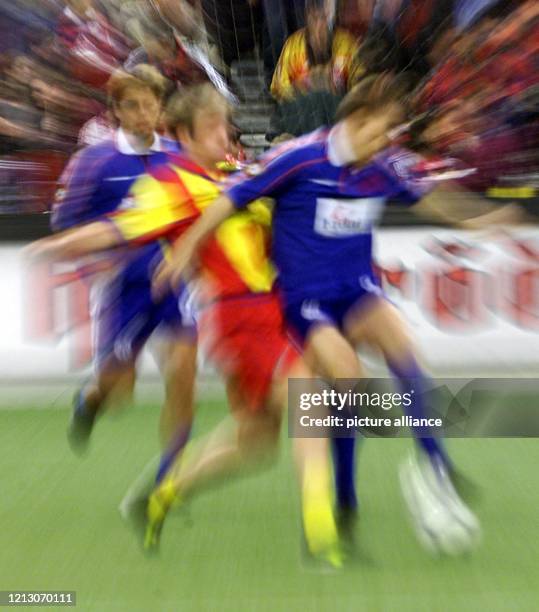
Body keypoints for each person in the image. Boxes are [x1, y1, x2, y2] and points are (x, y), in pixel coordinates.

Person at [154, 73, 486, 555]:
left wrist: (487, 219)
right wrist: (186, 247)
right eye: (379, 130)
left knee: (407, 356)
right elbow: (232, 197)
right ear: (355, 120)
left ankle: (436, 465)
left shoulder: (385, 165)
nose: (386, 140)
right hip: (303, 299)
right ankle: (345, 501)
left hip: (356, 291)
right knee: (344, 387)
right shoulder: (300, 157)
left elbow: (435, 198)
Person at [27, 83, 344, 569]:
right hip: (243, 316)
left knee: (255, 442)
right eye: (214, 125)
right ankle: (322, 537)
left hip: (271, 311)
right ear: (183, 133)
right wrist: (59, 247)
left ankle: (159, 497)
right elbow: (116, 228)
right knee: (312, 403)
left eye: (226, 123)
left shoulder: (229, 172)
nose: (225, 133)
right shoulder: (170, 185)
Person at [50, 64, 198, 488]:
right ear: (115, 110)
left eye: (149, 105)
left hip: (173, 286)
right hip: (123, 292)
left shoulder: (179, 156)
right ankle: (91, 399)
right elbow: (66, 222)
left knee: (183, 375)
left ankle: (171, 478)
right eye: (131, 106)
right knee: (119, 393)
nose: (142, 114)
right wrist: (95, 265)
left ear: (161, 107)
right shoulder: (94, 162)